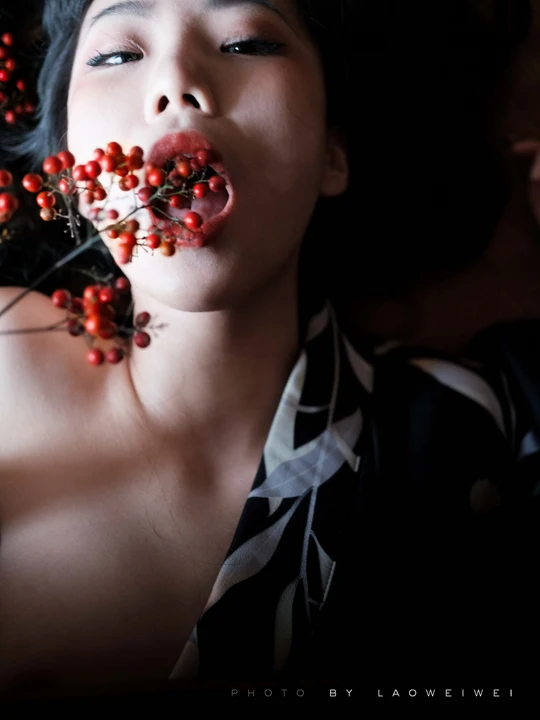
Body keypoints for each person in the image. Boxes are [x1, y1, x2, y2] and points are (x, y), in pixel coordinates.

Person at [0, 0, 535, 701]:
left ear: (333, 153)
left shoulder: (472, 430)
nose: (176, 81)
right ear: (69, 172)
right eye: (118, 55)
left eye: (246, 43)